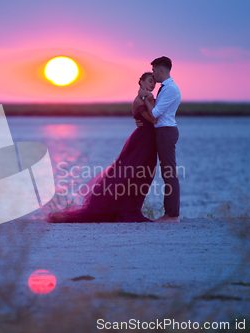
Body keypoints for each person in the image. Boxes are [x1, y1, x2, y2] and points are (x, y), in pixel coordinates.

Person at [47, 72, 158, 223]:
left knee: (144, 176)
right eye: (150, 81)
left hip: (149, 142)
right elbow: (154, 118)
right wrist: (149, 99)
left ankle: (132, 209)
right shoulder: (139, 101)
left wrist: (150, 99)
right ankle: (124, 210)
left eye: (154, 82)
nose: (153, 84)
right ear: (142, 82)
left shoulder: (147, 99)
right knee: (131, 175)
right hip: (142, 141)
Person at [138, 56, 181, 223]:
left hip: (165, 132)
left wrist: (147, 99)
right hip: (163, 131)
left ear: (161, 70)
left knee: (169, 174)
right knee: (167, 174)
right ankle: (169, 214)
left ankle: (172, 215)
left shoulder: (170, 89)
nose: (153, 74)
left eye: (155, 70)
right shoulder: (165, 88)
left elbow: (155, 113)